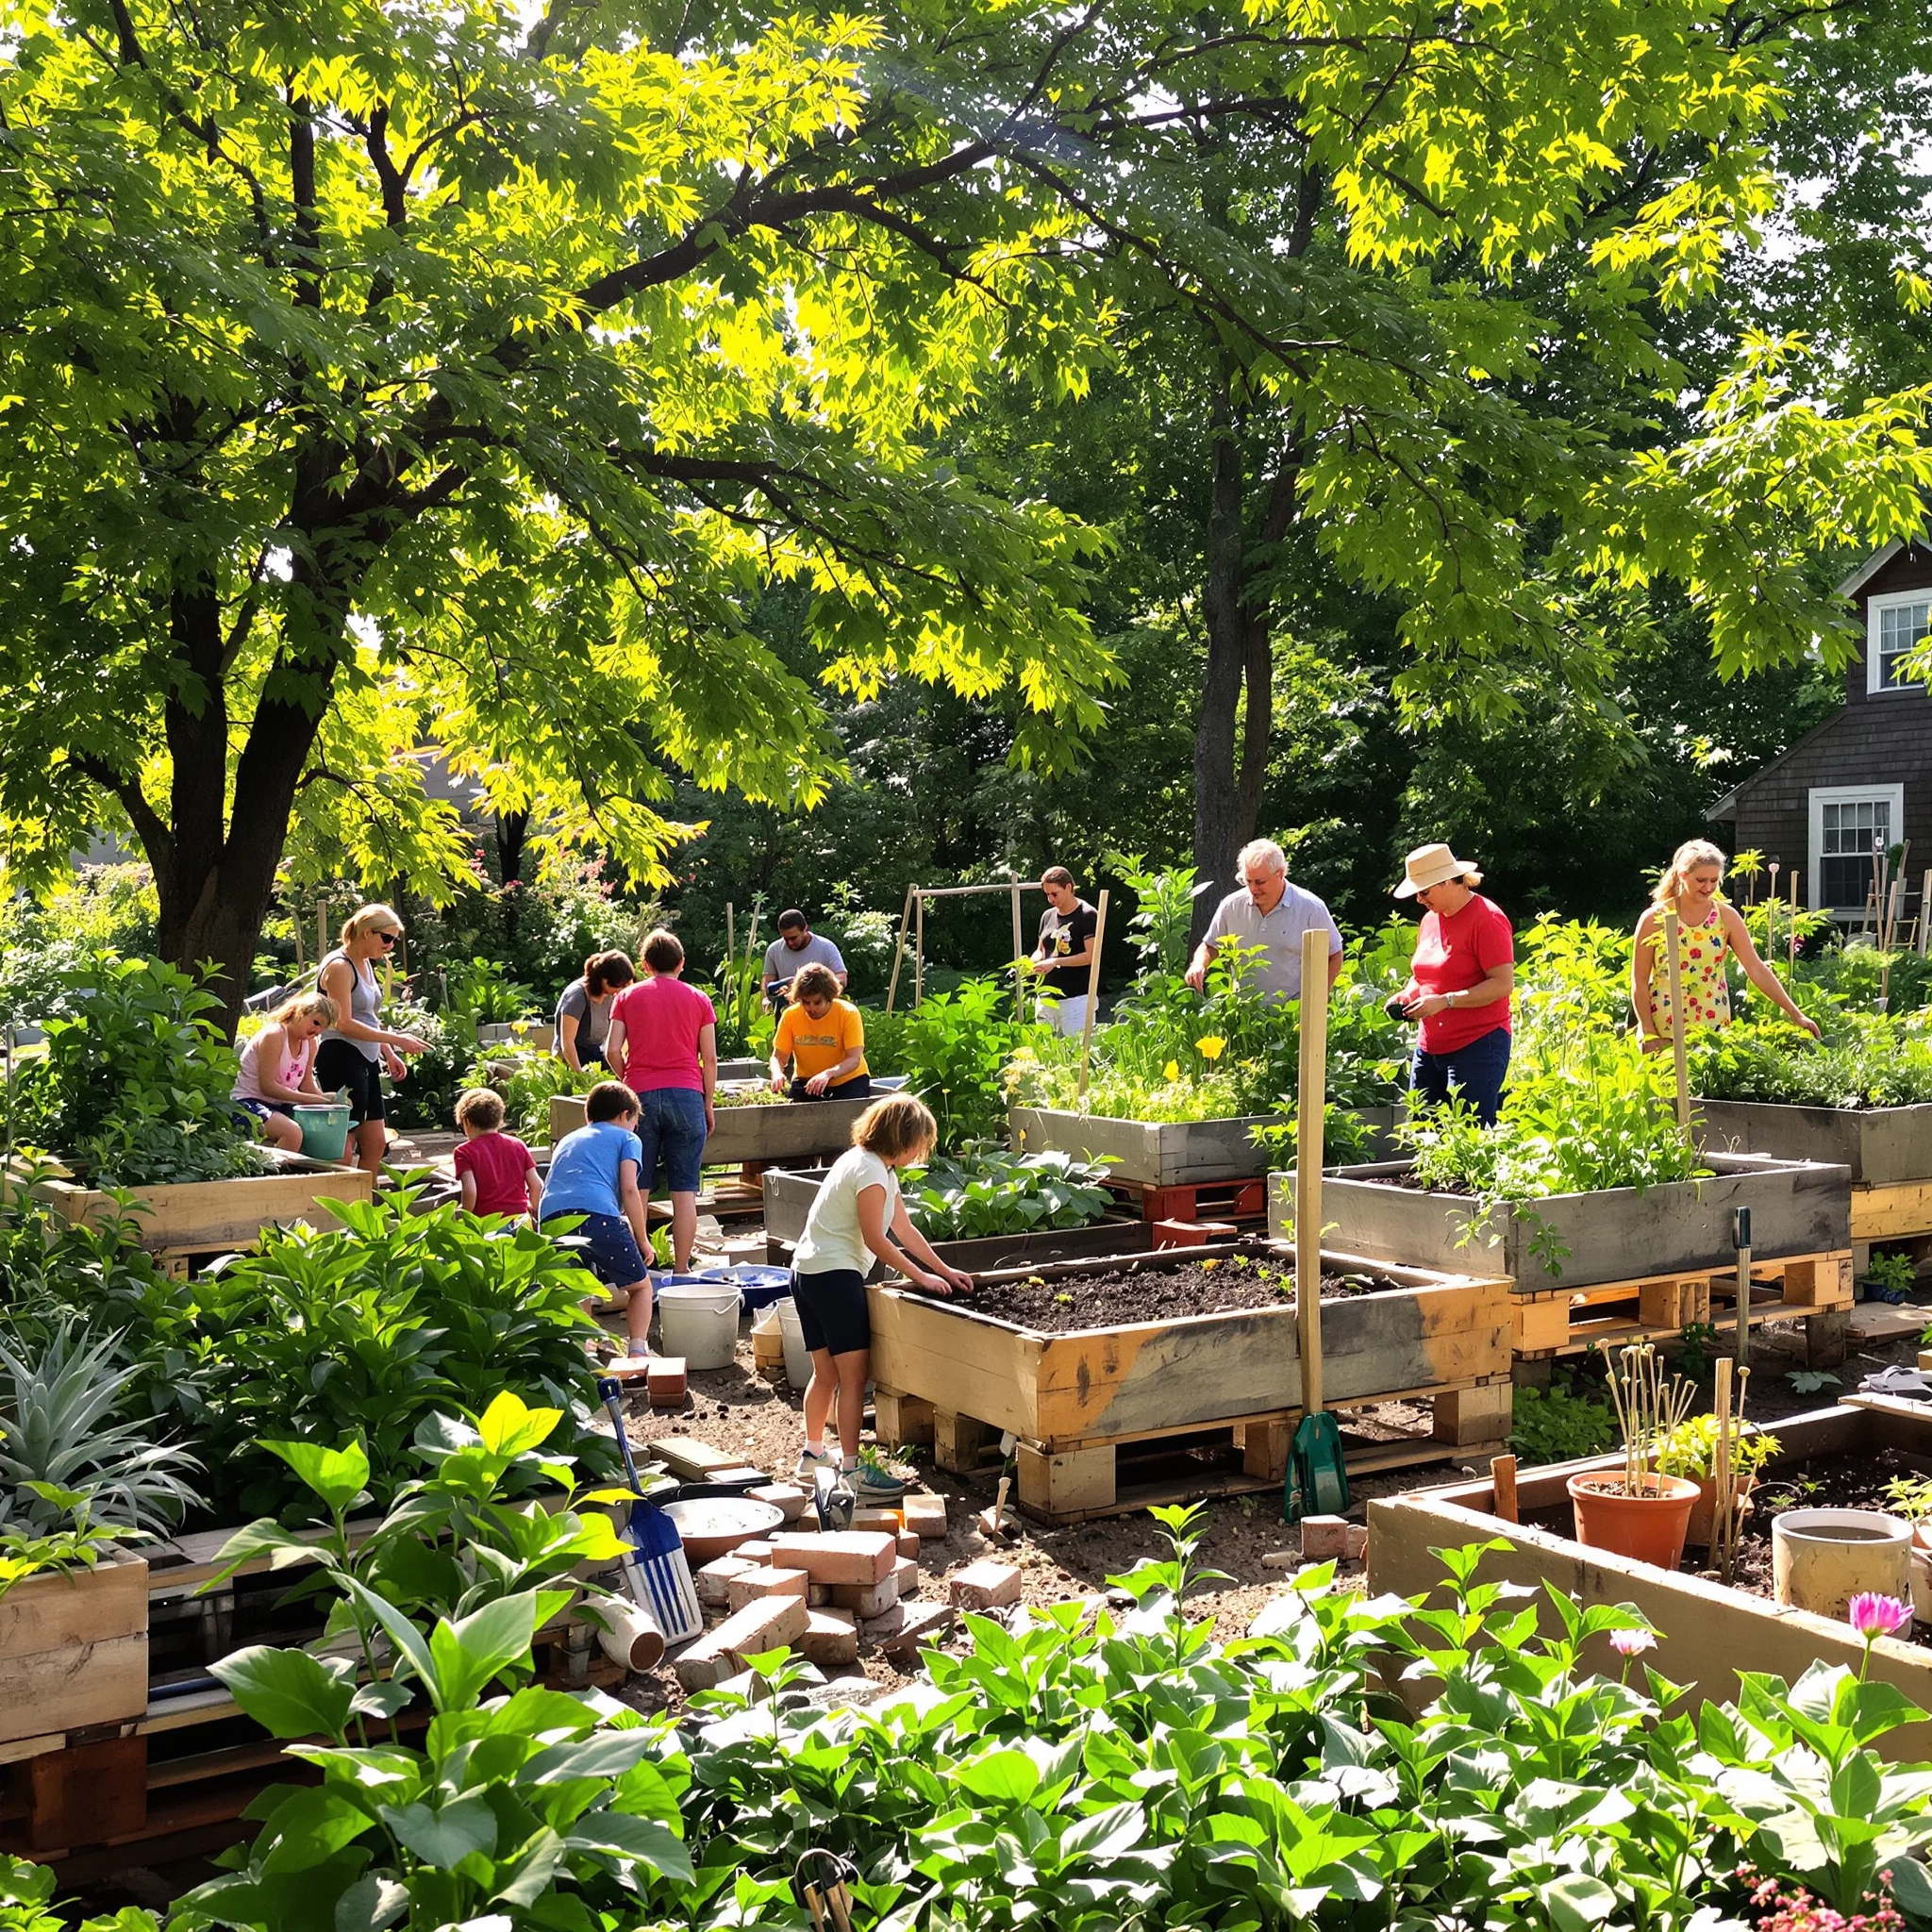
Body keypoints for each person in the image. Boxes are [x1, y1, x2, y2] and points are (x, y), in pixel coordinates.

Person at [791, 1093, 972, 1496]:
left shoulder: (867, 1164)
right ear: (903, 1138)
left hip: (806, 1272)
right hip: (834, 1277)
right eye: (919, 1143)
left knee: (826, 1374)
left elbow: (904, 1229)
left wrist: (943, 1270)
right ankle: (853, 1470)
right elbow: (877, 1238)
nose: (919, 1152)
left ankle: (814, 1454)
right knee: (854, 1379)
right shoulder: (871, 1171)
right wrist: (921, 1279)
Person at [1633, 839, 1821, 1051]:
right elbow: (1639, 980)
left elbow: (1756, 968)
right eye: (1701, 880)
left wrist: (1795, 1014)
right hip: (1665, 1031)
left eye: (1714, 880)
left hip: (1714, 1032)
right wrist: (1647, 1031)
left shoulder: (1725, 917)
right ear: (1683, 876)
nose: (1708, 887)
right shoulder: (1655, 918)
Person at [604, 929, 716, 1274]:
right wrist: (707, 1104)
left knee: (638, 1188)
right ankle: (681, 1271)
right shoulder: (699, 999)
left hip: (640, 1097)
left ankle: (637, 1272)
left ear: (645, 964)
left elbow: (610, 1049)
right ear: (682, 963)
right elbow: (709, 1060)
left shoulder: (626, 997)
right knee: (685, 1192)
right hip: (687, 1095)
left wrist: (628, 1079)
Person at [1389, 844, 1515, 1126]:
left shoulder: (1487, 919)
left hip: (1478, 1044)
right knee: (1422, 1132)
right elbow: (1424, 974)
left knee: (1469, 1136)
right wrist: (1407, 995)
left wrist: (1445, 1001)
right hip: (1430, 1046)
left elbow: (1503, 984)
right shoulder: (1430, 920)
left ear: (1446, 881)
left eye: (1424, 892)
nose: (1419, 900)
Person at [541, 1079, 655, 1356]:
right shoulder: (627, 1138)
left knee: (578, 1287)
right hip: (597, 1215)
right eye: (634, 1122)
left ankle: (585, 1353)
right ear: (625, 1115)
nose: (634, 1128)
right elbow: (630, 1188)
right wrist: (643, 1240)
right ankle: (638, 1351)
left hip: (552, 1218)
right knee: (640, 1287)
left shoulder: (569, 1139)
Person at [314, 904, 430, 1174]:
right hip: (340, 1056)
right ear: (367, 933)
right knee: (346, 1139)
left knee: (376, 1142)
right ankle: (336, 1205)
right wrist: (396, 1038)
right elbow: (342, 1022)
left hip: (365, 1058)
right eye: (387, 938)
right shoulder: (339, 966)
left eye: (394, 940)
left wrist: (388, 1052)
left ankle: (368, 1202)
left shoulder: (365, 963)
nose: (390, 945)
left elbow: (368, 1016)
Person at [1186, 839, 1342, 1003]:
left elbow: (1335, 955)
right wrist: (1198, 965)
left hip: (1291, 1014)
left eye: (1260, 882)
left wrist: (1315, 1001)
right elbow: (1210, 946)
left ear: (1280, 873)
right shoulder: (1231, 906)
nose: (1253, 889)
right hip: (1244, 1012)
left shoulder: (1311, 908)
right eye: (1248, 881)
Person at [231, 992, 337, 1152]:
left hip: (278, 1105)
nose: (317, 1031)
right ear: (301, 1012)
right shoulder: (275, 1035)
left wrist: (329, 1101)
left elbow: (307, 1084)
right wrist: (310, 1099)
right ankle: (278, 1174)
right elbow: (267, 1086)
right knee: (292, 1133)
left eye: (322, 1029)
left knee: (317, 1133)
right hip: (247, 1102)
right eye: (315, 1022)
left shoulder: (311, 1043)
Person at [768, 963, 871, 1100]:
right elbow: (778, 1057)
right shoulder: (790, 1015)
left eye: (817, 1002)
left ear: (829, 997)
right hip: (807, 1082)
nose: (811, 1008)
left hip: (848, 1081)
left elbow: (854, 1059)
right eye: (806, 1002)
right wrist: (777, 1073)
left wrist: (828, 1074)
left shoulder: (848, 1013)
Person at [1026, 866, 1100, 1036]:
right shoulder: (1047, 916)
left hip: (1077, 999)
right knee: (1047, 1052)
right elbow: (1041, 950)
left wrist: (1056, 962)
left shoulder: (1087, 915)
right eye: (1047, 894)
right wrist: (1027, 965)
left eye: (1054, 894)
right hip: (1046, 996)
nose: (1050, 899)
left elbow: (1091, 956)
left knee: (1077, 1052)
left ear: (1068, 887)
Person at [453, 1087, 543, 1222]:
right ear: (499, 1119)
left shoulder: (464, 1152)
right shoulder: (518, 1145)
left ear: (467, 1121)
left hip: (488, 1223)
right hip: (520, 1220)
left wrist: (463, 1216)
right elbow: (537, 1186)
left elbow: (470, 1191)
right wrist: (533, 1211)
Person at [554, 950, 636, 1074]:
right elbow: (567, 1043)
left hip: (596, 1055)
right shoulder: (577, 996)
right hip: (571, 1060)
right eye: (621, 986)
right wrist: (580, 1075)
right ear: (605, 981)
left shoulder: (612, 996)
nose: (622, 991)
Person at [762, 909, 847, 1010]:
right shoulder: (773, 950)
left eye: (793, 938)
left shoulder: (826, 947)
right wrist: (767, 998)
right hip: (788, 1011)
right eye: (785, 939)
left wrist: (814, 987)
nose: (789, 943)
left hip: (821, 1010)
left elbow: (842, 978)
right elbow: (767, 982)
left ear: (805, 929)